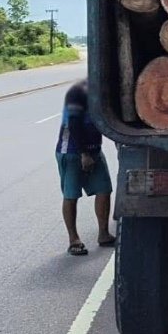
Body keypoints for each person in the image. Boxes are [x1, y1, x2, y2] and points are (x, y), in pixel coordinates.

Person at [56, 79, 115, 255]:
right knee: (71, 194)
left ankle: (103, 234)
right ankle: (73, 239)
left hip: (95, 150)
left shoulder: (104, 91)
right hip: (72, 151)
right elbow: (73, 125)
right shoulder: (77, 92)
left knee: (104, 190)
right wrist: (83, 154)